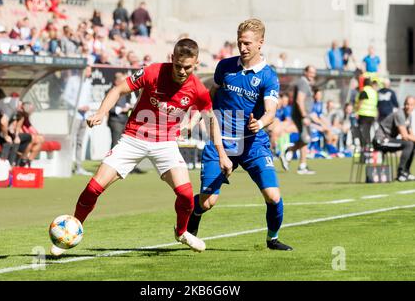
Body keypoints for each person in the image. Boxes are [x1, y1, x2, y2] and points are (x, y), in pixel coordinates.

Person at [50, 38, 232, 256]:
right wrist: (101, 112)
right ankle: (70, 231)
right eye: (178, 66)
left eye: (187, 67)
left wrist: (223, 155)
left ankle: (181, 232)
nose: (182, 71)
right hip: (133, 139)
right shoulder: (152, 72)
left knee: (185, 195)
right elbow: (119, 89)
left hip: (165, 144)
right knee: (93, 188)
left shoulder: (198, 90)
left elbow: (211, 121)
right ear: (171, 59)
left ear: (196, 64)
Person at [186, 19, 293, 251]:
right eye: (239, 42)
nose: (242, 47)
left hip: (253, 144)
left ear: (260, 43)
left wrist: (261, 123)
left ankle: (272, 239)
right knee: (208, 202)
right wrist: (196, 115)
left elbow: (271, 111)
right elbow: (210, 95)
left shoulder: (268, 76)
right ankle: (194, 213)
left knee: (273, 196)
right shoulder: (225, 67)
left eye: (247, 43)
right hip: (221, 142)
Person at [283, 65, 317, 174]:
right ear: (305, 72)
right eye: (311, 72)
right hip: (301, 116)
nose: (313, 75)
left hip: (303, 115)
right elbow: (299, 100)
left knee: (305, 139)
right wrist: (304, 116)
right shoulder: (303, 83)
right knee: (305, 138)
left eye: (314, 73)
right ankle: (301, 165)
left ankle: (291, 154)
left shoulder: (306, 83)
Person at [0, 94, 32, 166]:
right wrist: (6, 136)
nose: (23, 115)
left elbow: (21, 117)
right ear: (21, 107)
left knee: (17, 140)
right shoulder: (11, 107)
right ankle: (3, 166)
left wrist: (16, 135)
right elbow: (3, 122)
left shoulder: (19, 107)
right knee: (6, 141)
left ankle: (13, 165)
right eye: (24, 113)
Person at [373, 96, 415, 182]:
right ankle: (400, 173)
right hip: (380, 140)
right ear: (404, 105)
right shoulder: (400, 114)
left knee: (412, 144)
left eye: (411, 105)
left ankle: (406, 172)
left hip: (389, 140)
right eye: (407, 104)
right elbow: (404, 135)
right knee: (409, 144)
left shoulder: (409, 116)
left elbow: (411, 134)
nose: (408, 107)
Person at [355, 78, 378, 148]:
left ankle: (364, 148)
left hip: (363, 114)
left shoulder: (364, 91)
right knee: (368, 132)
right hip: (372, 115)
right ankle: (368, 147)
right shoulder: (374, 92)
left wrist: (356, 111)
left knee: (363, 132)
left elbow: (360, 103)